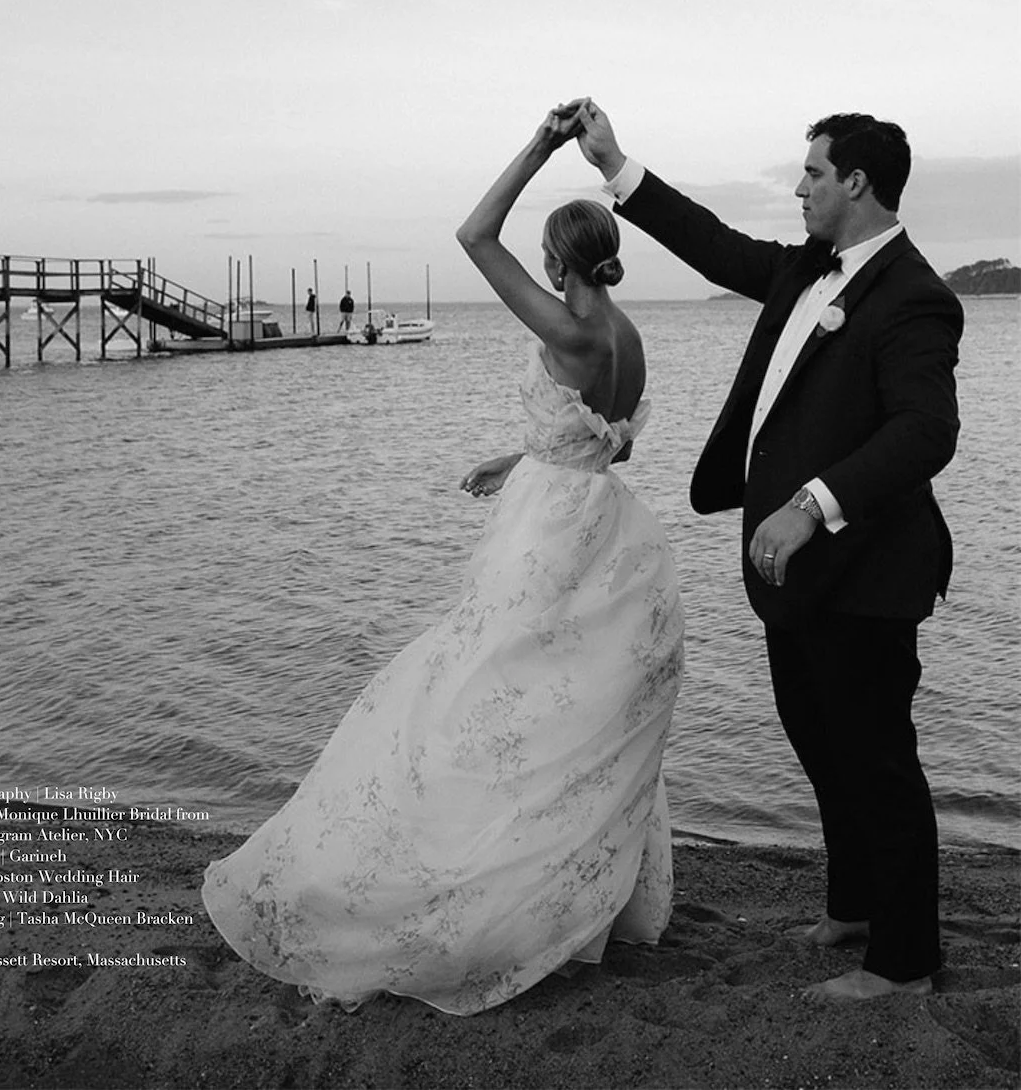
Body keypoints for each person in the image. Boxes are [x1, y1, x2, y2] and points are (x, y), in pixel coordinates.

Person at [201, 108, 683, 1015]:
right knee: (552, 711)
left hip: (547, 538)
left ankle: (446, 887)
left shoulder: (569, 329)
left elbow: (472, 235)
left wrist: (538, 147)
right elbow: (606, 442)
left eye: (546, 256)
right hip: (605, 528)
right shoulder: (627, 337)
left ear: (557, 262)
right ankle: (559, 891)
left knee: (470, 697)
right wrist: (520, 458)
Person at [567, 98, 961, 1003]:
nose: (800, 188)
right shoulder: (804, 269)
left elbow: (925, 431)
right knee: (819, 742)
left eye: (813, 174)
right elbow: (711, 244)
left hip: (868, 571)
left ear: (856, 182)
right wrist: (615, 164)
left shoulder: (915, 297)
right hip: (800, 577)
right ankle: (854, 906)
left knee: (877, 761)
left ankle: (905, 962)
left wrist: (812, 506)